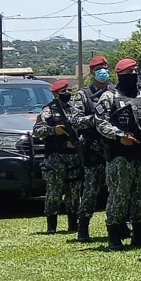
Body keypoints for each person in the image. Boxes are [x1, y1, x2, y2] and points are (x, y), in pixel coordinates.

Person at [95, 58, 141, 251]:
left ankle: (139, 234)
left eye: (136, 71)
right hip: (119, 155)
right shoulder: (110, 96)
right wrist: (120, 136)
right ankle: (115, 235)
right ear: (120, 74)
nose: (134, 75)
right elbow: (100, 122)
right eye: (130, 72)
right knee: (119, 196)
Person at [69, 56, 111, 243]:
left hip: (112, 147)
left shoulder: (113, 92)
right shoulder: (83, 95)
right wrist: (96, 119)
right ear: (92, 72)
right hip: (92, 148)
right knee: (91, 190)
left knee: (117, 189)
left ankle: (119, 225)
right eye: (99, 68)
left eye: (106, 68)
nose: (103, 71)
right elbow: (76, 120)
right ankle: (83, 227)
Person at [32, 80, 83, 235]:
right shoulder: (48, 110)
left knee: (74, 192)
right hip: (55, 157)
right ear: (55, 93)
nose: (67, 93)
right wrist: (54, 130)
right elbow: (37, 130)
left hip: (74, 157)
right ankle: (52, 226)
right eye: (63, 91)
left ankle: (73, 224)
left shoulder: (74, 109)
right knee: (54, 191)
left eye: (69, 90)